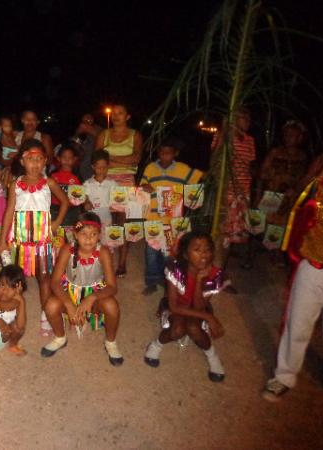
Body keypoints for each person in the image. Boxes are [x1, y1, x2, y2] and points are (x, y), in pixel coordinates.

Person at [261, 152, 323, 405]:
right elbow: (296, 238)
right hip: (312, 270)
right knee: (297, 325)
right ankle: (284, 376)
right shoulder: (318, 201)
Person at [0, 139, 69, 334]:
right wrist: (2, 240)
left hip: (42, 240)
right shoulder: (15, 184)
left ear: (45, 161)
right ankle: (10, 314)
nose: (35, 163)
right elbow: (9, 211)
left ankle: (46, 314)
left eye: (39, 159)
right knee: (14, 278)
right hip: (19, 239)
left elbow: (65, 202)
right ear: (22, 160)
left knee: (44, 278)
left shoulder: (49, 183)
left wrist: (55, 224)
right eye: (30, 158)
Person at [41, 213, 124, 366]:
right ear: (75, 235)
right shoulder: (67, 250)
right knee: (51, 306)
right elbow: (54, 282)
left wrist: (91, 298)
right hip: (70, 292)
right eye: (83, 234)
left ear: (99, 235)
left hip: (95, 294)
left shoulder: (104, 252)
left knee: (112, 306)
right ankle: (60, 337)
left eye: (93, 234)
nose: (88, 238)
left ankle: (110, 342)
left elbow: (112, 286)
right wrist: (68, 303)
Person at [144, 231, 227, 382]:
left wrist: (200, 279)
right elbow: (174, 307)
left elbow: (199, 306)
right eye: (197, 249)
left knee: (194, 329)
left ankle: (212, 356)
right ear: (186, 255)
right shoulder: (175, 269)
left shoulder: (215, 274)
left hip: (199, 308)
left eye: (207, 250)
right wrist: (209, 317)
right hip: (178, 307)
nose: (204, 255)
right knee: (177, 330)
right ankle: (156, 345)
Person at [140, 138, 203, 294]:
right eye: (161, 152)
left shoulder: (182, 169)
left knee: (170, 251)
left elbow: (198, 179)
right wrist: (144, 187)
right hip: (153, 217)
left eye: (168, 153)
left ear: (175, 153)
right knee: (151, 251)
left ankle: (168, 279)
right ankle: (152, 281)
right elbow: (142, 184)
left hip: (173, 219)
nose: (164, 155)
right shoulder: (150, 168)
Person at [94, 103, 143, 277]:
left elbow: (136, 159)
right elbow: (98, 159)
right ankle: (101, 260)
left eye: (120, 113)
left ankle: (121, 263)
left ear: (127, 116)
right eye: (114, 113)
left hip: (126, 182)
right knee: (103, 221)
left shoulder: (135, 135)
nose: (116, 116)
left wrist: (110, 159)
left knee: (123, 224)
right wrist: (123, 160)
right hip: (104, 180)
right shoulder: (103, 134)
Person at [211, 107, 256, 267]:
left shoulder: (250, 140)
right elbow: (215, 160)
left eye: (249, 119)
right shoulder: (224, 137)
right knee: (222, 231)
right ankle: (216, 270)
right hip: (227, 189)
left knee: (233, 234)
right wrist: (224, 135)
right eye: (243, 118)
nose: (247, 122)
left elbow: (249, 165)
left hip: (243, 190)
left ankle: (221, 270)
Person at [83, 149, 117, 244]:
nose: (101, 170)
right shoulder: (87, 183)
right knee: (92, 239)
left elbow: (118, 198)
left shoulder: (112, 183)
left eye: (104, 167)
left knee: (106, 241)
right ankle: (93, 257)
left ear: (108, 166)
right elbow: (85, 198)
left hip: (106, 215)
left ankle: (105, 256)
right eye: (98, 167)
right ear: (93, 167)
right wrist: (87, 203)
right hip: (92, 215)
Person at [50, 141, 82, 226]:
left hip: (71, 210)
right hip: (54, 208)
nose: (67, 160)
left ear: (74, 159)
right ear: (58, 158)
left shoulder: (76, 177)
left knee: (69, 232)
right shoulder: (53, 176)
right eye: (64, 157)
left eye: (70, 157)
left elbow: (79, 198)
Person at [74, 113, 102, 181]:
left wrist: (90, 130)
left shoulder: (99, 129)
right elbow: (75, 145)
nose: (87, 121)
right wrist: (78, 134)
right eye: (84, 120)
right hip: (81, 164)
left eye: (89, 119)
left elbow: (102, 141)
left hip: (93, 162)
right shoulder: (80, 130)